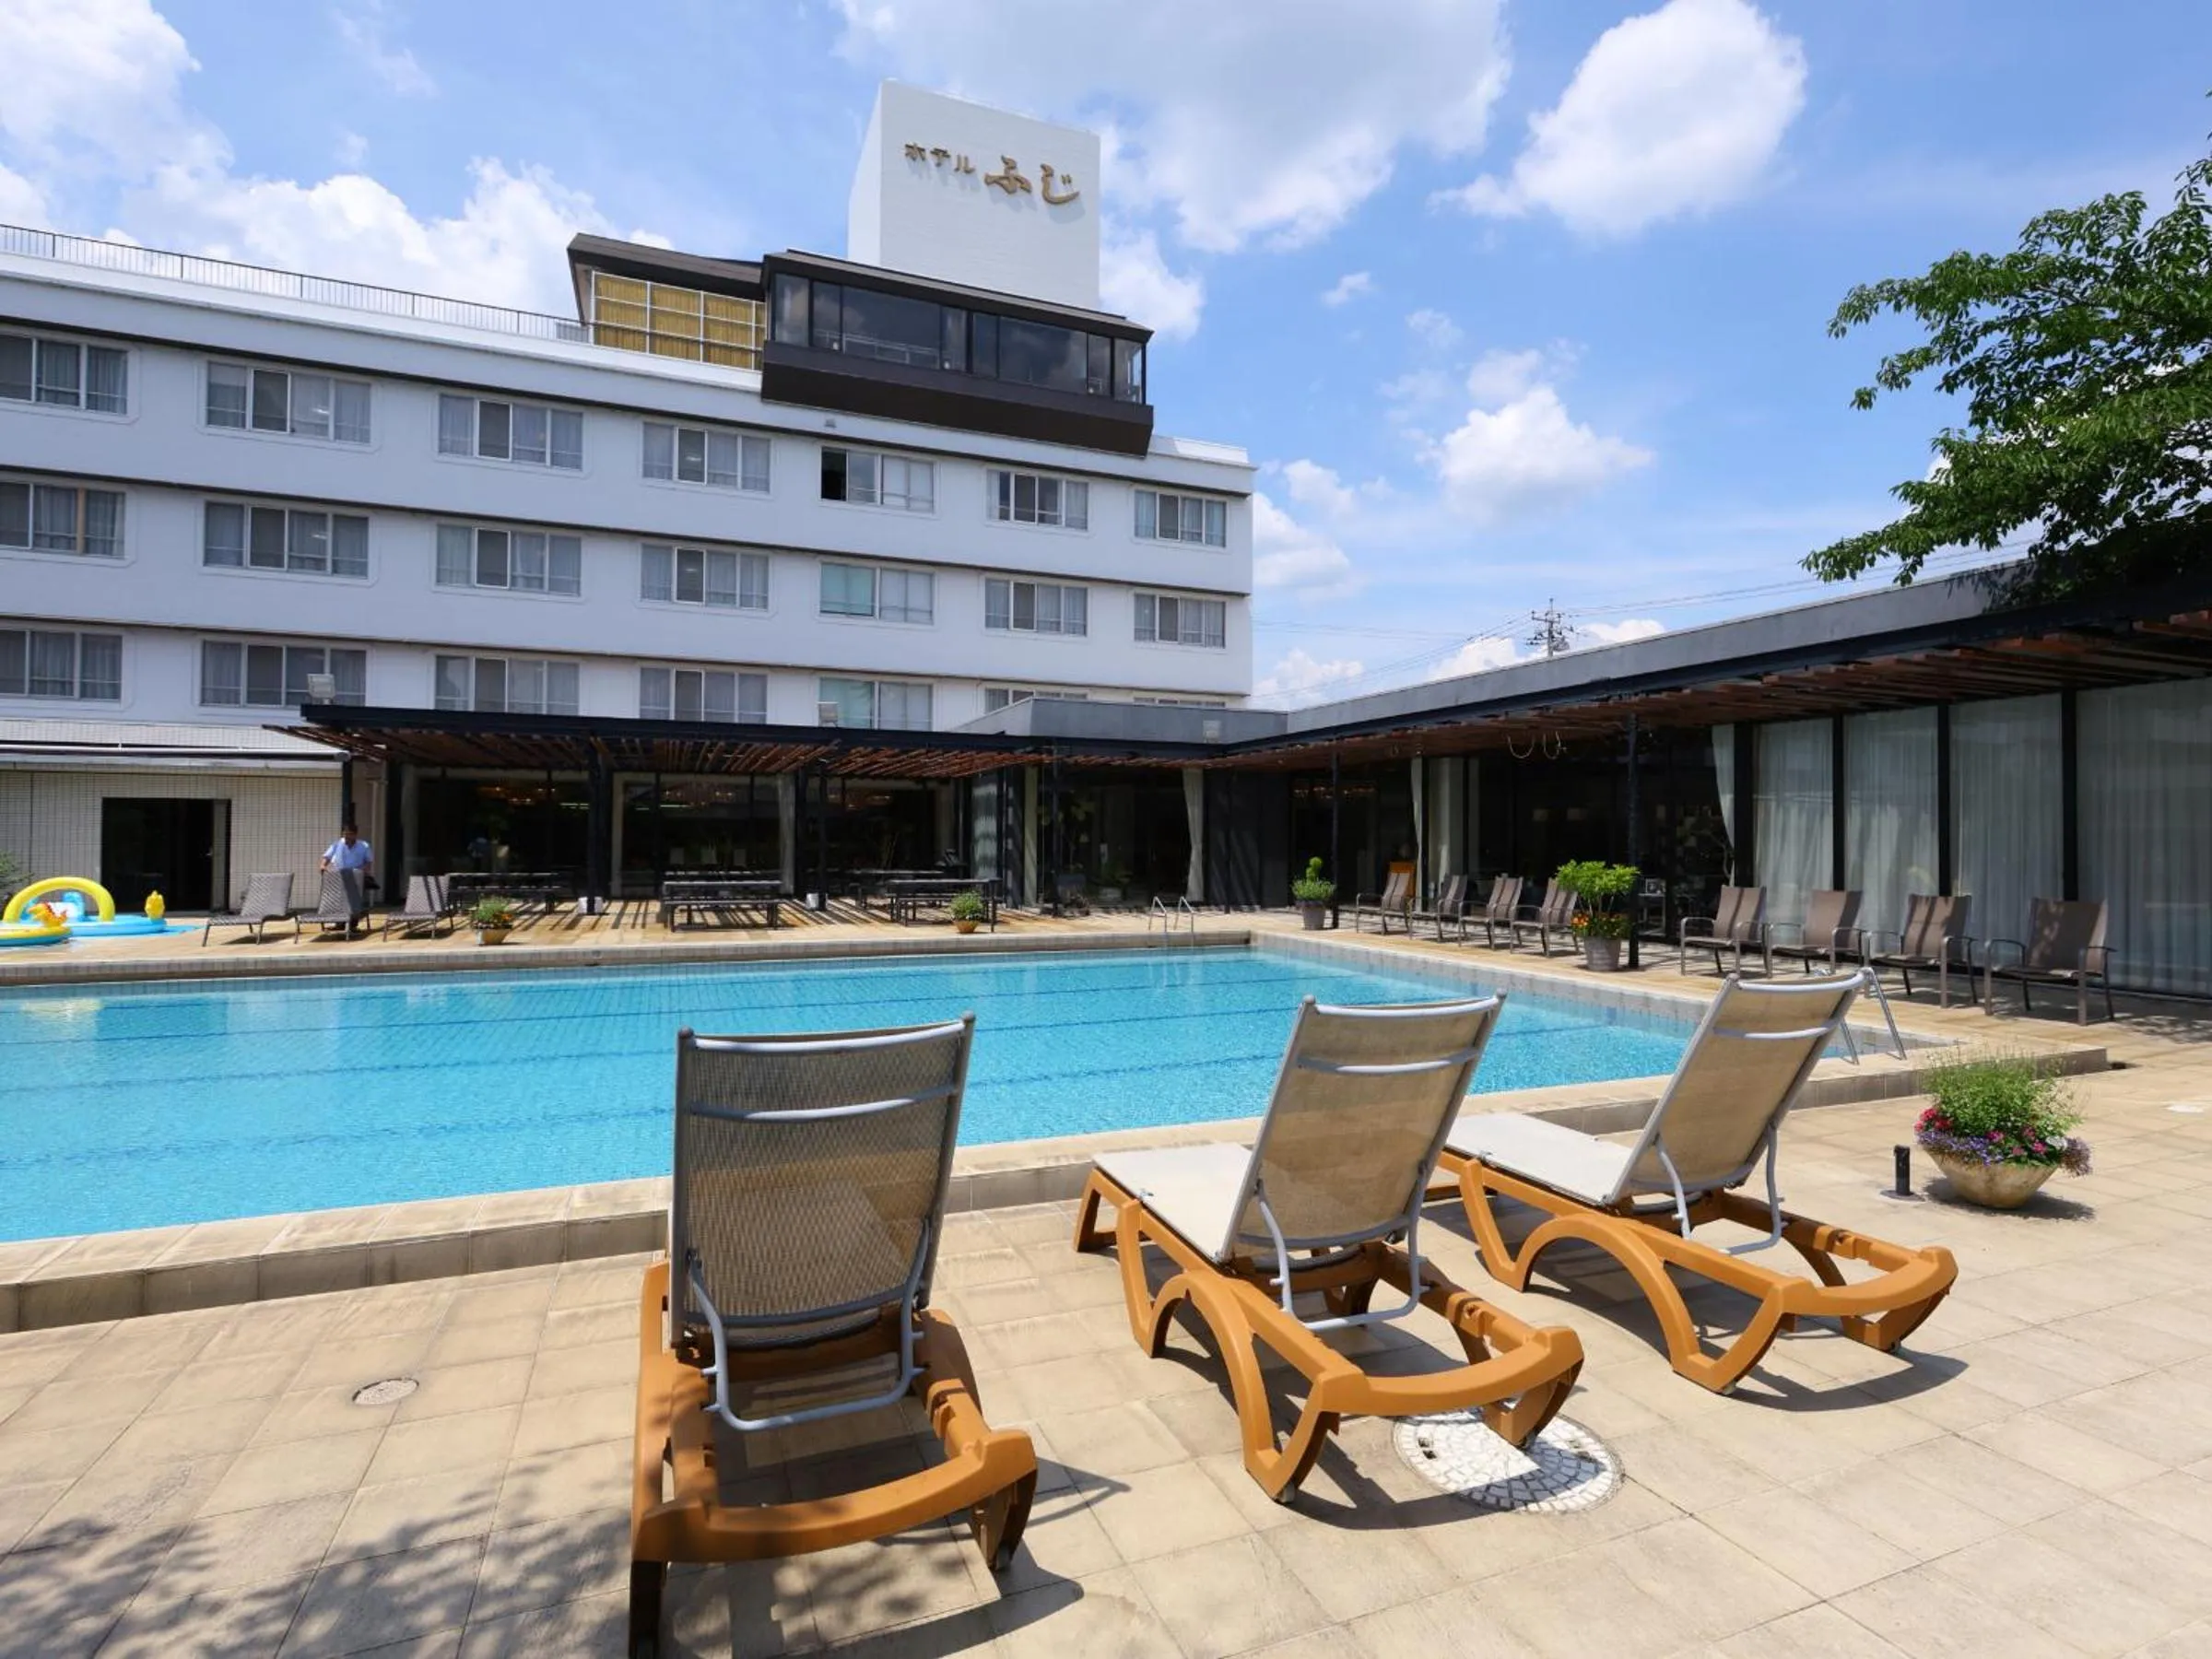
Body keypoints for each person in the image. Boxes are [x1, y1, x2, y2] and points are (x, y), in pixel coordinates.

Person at [321, 821, 375, 917]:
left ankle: (353, 925)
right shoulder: (337, 844)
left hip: (356, 877)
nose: (346, 837)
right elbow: (327, 857)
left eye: (349, 834)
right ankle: (339, 923)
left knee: (354, 902)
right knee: (338, 900)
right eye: (345, 834)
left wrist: (363, 871)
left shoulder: (364, 845)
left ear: (355, 835)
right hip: (339, 876)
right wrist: (323, 866)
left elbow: (368, 862)